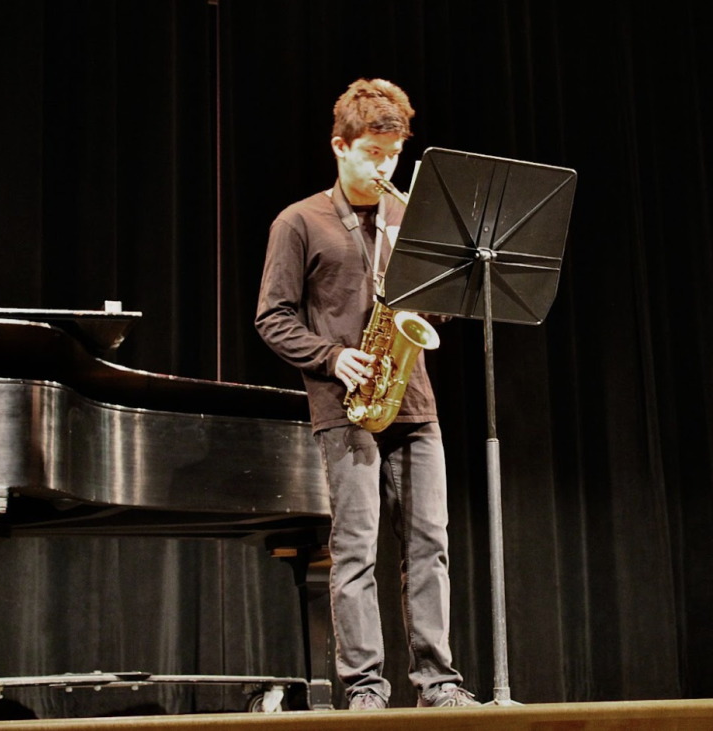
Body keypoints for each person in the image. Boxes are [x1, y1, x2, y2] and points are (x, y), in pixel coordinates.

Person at [255, 78, 479, 710]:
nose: (385, 168)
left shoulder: (407, 217)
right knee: (355, 551)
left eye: (394, 155)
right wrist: (332, 357)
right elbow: (271, 317)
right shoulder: (298, 221)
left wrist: (446, 291)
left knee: (429, 546)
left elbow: (433, 313)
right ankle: (365, 687)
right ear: (340, 146)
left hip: (413, 400)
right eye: (373, 154)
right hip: (345, 404)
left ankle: (438, 683)